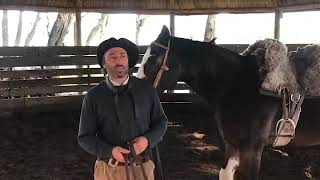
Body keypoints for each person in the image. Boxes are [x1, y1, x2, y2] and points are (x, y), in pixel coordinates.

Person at [78, 37, 168, 180]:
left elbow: (161, 122)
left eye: (123, 56)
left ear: (128, 61)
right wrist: (110, 151)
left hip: (143, 169)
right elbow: (85, 138)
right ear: (104, 63)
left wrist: (147, 140)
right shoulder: (93, 96)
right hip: (108, 171)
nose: (119, 61)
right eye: (112, 57)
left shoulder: (146, 90)